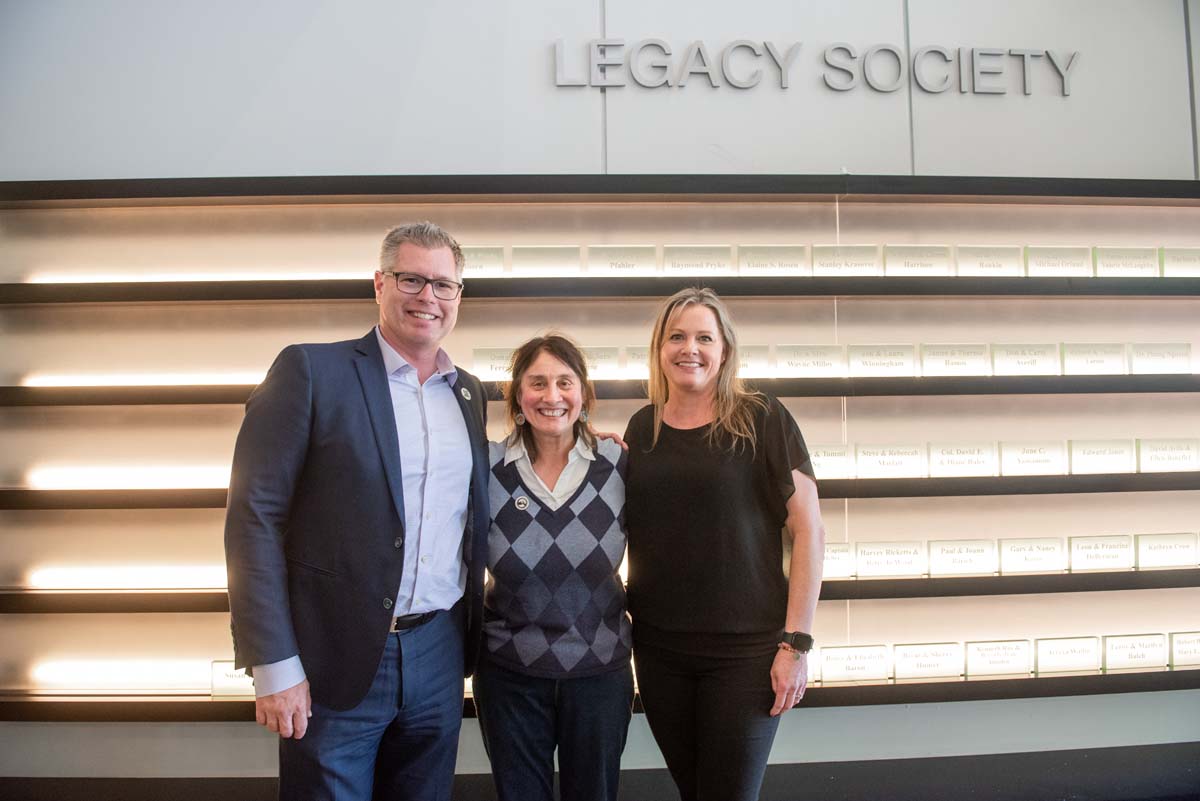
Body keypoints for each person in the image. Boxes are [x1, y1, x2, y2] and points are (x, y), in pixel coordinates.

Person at [223, 221, 490, 801]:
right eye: (411, 279)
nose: (428, 297)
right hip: (331, 660)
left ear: (459, 297)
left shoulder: (468, 394)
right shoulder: (311, 372)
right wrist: (274, 664)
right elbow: (254, 518)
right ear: (379, 283)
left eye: (444, 285)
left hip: (439, 652)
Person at [623, 287, 825, 801]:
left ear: (725, 350)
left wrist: (795, 644)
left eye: (703, 337)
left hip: (746, 654)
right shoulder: (641, 428)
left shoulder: (762, 418)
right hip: (659, 650)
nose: (689, 348)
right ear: (659, 348)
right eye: (677, 337)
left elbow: (809, 530)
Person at [473, 334, 634, 801]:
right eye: (537, 383)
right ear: (518, 398)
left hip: (599, 675)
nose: (552, 395)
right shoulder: (485, 468)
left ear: (583, 394)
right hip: (510, 674)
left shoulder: (620, 464)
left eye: (565, 381)